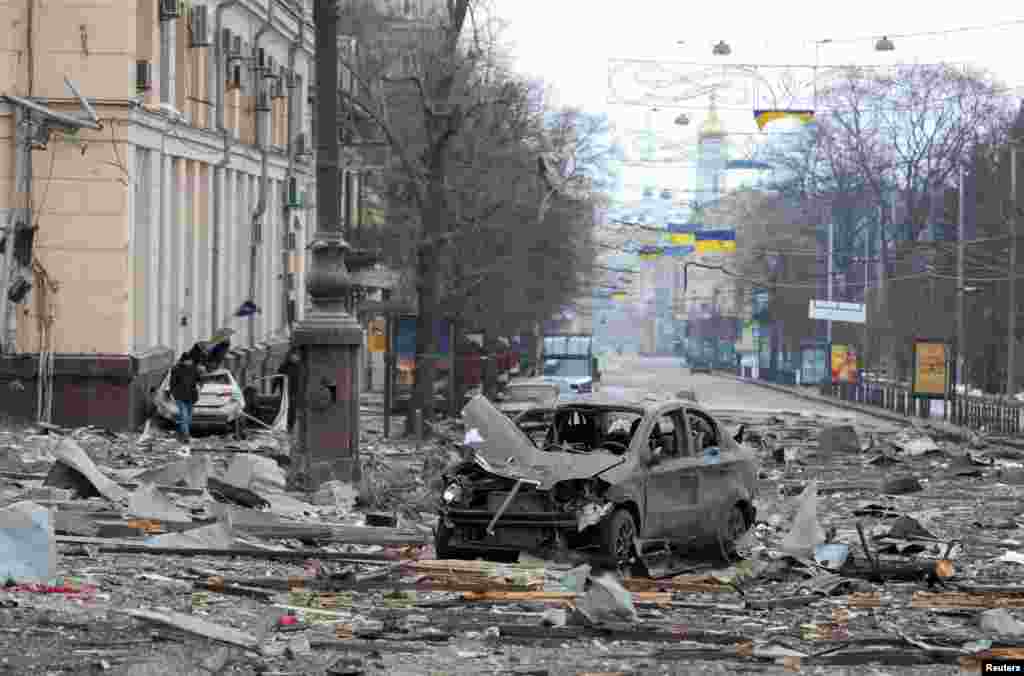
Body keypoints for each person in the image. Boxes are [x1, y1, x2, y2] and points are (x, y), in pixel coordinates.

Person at [169, 353, 200, 444]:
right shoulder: (176, 369)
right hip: (180, 397)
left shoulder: (194, 369)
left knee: (188, 418)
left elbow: (198, 380)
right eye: (189, 360)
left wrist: (198, 387)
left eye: (191, 360)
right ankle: (186, 436)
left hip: (191, 397)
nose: (190, 362)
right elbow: (172, 383)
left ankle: (181, 433)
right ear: (184, 360)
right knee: (184, 416)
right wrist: (174, 394)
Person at [275, 348, 301, 432]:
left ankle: (290, 425)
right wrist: (274, 388)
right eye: (293, 355)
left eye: (296, 356)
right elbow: (277, 378)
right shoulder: (284, 366)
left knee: (292, 408)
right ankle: (286, 424)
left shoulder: (300, 367)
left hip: (295, 390)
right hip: (285, 391)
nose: (295, 357)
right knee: (286, 408)